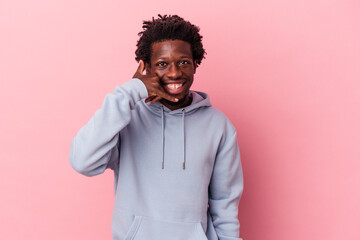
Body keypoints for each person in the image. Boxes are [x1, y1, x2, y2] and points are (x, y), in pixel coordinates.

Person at [69, 14, 244, 240]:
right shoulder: (126, 118)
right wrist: (131, 91)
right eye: (162, 64)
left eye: (183, 62)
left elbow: (225, 204)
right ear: (146, 68)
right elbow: (83, 161)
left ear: (195, 65)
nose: (174, 73)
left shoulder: (219, 126)